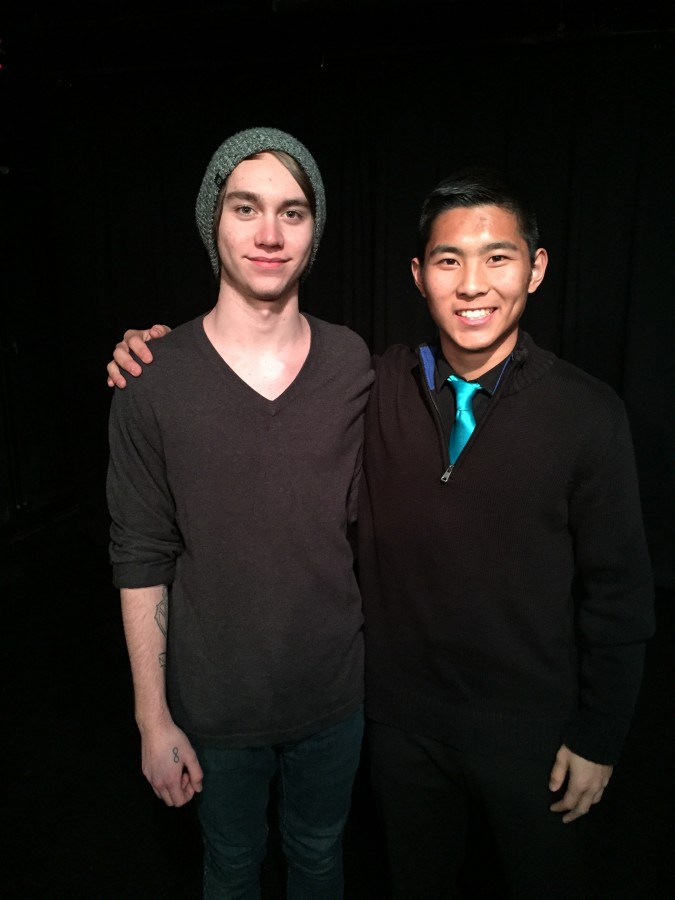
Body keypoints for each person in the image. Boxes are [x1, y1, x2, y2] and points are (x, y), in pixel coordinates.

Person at [107, 167, 655, 899]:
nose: (472, 284)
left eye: (497, 257)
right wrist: (150, 351)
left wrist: (599, 735)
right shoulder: (377, 379)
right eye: (447, 260)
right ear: (418, 275)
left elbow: (619, 592)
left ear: (535, 268)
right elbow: (225, 393)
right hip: (398, 725)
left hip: (530, 734)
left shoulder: (587, 415)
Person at [106, 126, 373, 900]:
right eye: (244, 207)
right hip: (214, 709)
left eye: (292, 212)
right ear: (211, 221)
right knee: (230, 866)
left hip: (333, 698)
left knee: (320, 858)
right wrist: (152, 722)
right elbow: (140, 554)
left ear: (313, 230)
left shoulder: (353, 363)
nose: (267, 233)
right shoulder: (152, 381)